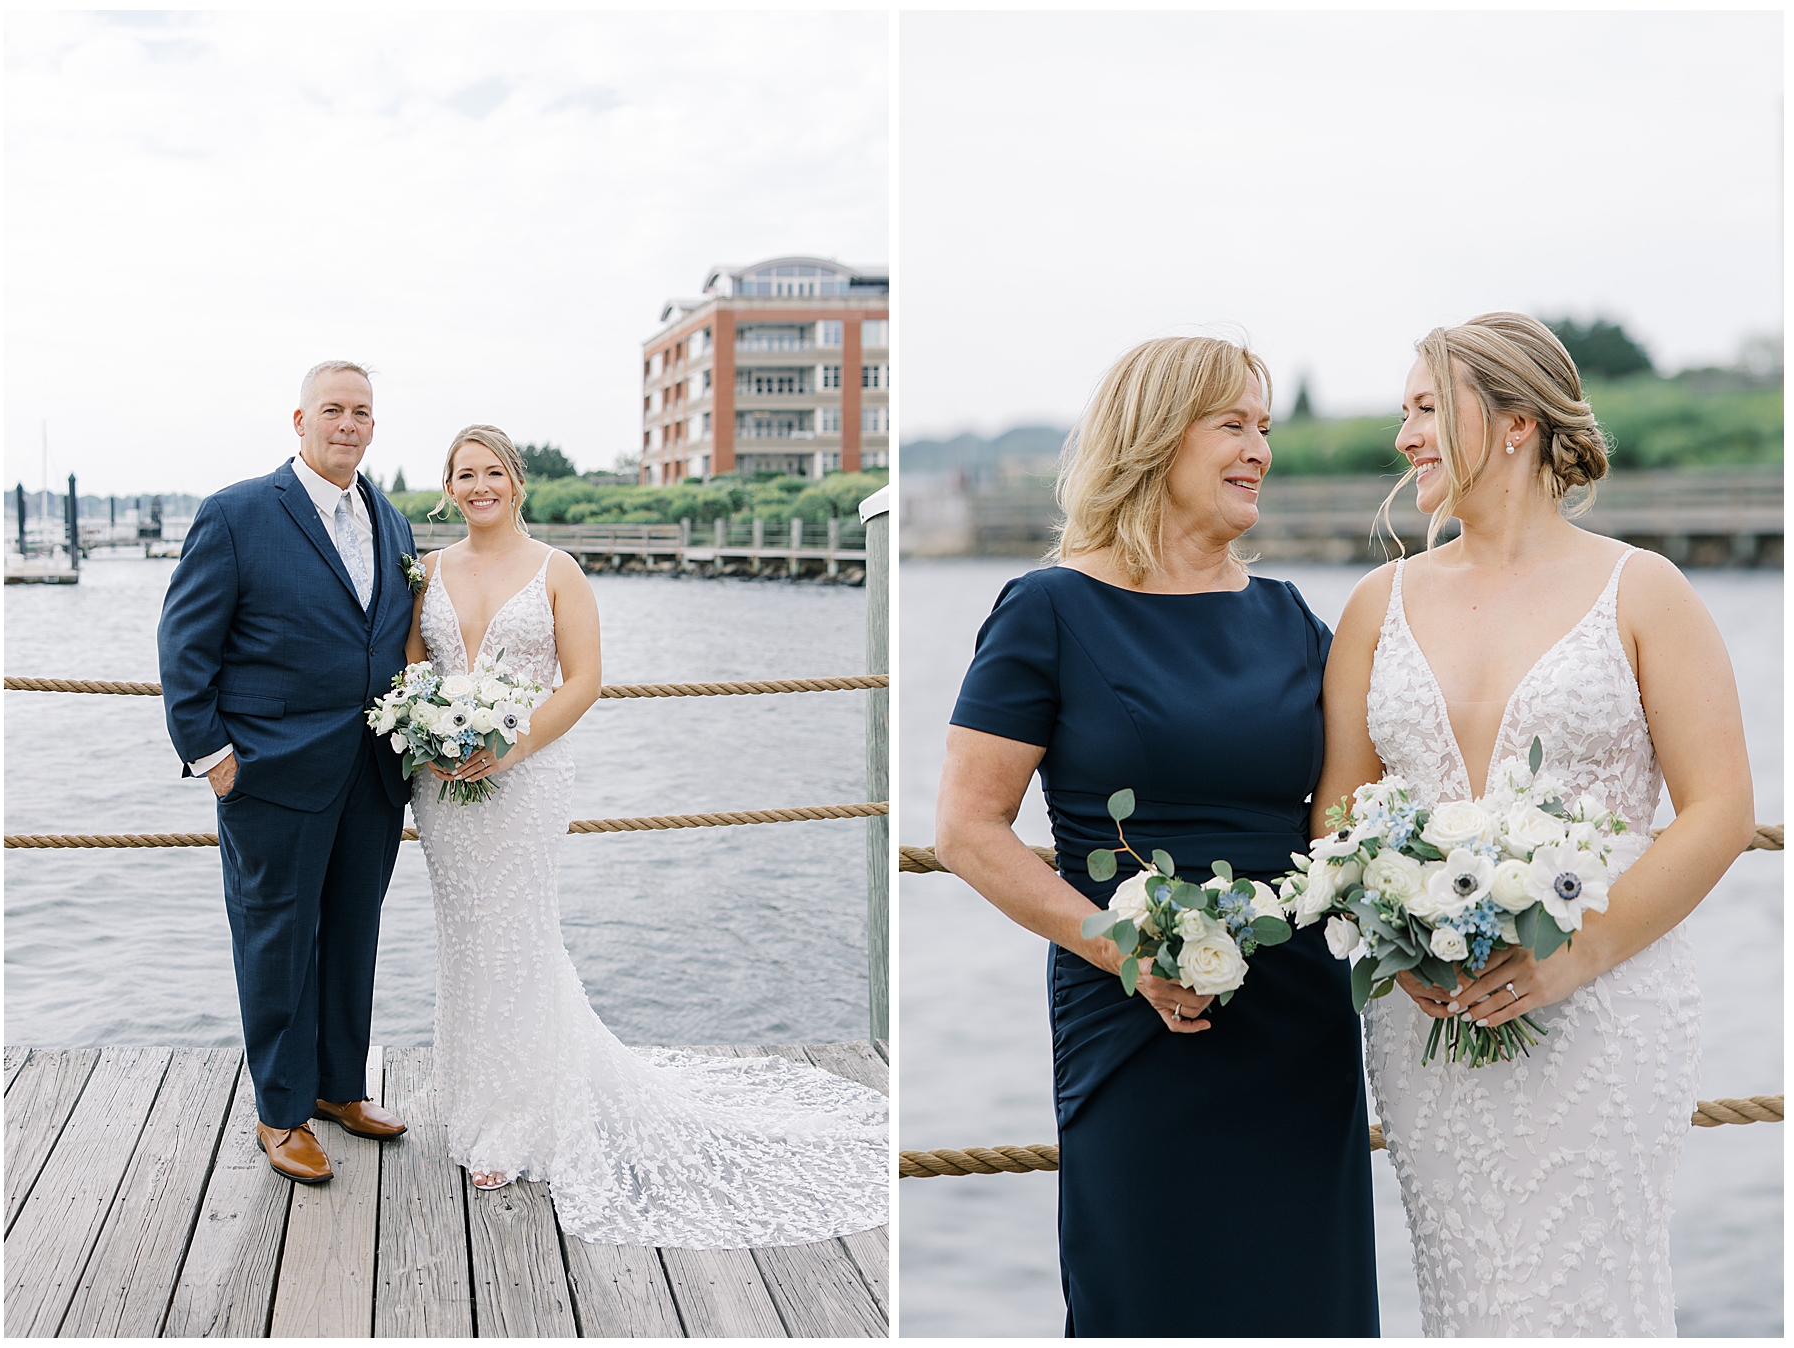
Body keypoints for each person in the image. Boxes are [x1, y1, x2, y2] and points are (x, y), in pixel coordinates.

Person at [1316, 312, 1756, 1335]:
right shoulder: (1376, 605)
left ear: (1513, 422)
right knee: (1466, 1289)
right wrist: (1394, 943)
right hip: (1425, 1014)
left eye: (1426, 409)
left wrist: (1573, 956)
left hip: (1604, 1009)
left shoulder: (1643, 591)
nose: (1405, 437)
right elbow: (1337, 812)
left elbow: (1722, 809)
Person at [934, 337, 1379, 1336]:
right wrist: (1121, 947)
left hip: (1299, 1024)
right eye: (1234, 423)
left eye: (1265, 426)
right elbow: (967, 830)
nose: (1260, 447)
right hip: (1137, 1020)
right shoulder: (1047, 609)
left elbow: (1345, 819)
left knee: (1307, 1302)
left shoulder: (1291, 617)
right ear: (1156, 435)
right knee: (1147, 1294)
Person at [403, 424, 886, 1247]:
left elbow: (585, 678)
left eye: (492, 472)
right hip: (442, 783)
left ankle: (521, 1116)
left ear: (518, 483)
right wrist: (436, 732)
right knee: (465, 934)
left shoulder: (559, 570)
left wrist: (506, 747)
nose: (479, 485)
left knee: (519, 932)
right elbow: (417, 662)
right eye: (463, 474)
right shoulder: (430, 570)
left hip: (526, 775)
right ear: (448, 488)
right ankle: (469, 1091)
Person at [159, 361, 416, 1184]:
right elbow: (184, 647)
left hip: (374, 773)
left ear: (374, 427)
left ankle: (340, 1087)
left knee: (353, 933)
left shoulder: (394, 520)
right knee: (275, 941)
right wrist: (216, 760)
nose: (348, 424)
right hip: (270, 777)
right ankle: (281, 1112)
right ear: (299, 419)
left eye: (362, 412)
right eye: (333, 410)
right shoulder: (237, 514)